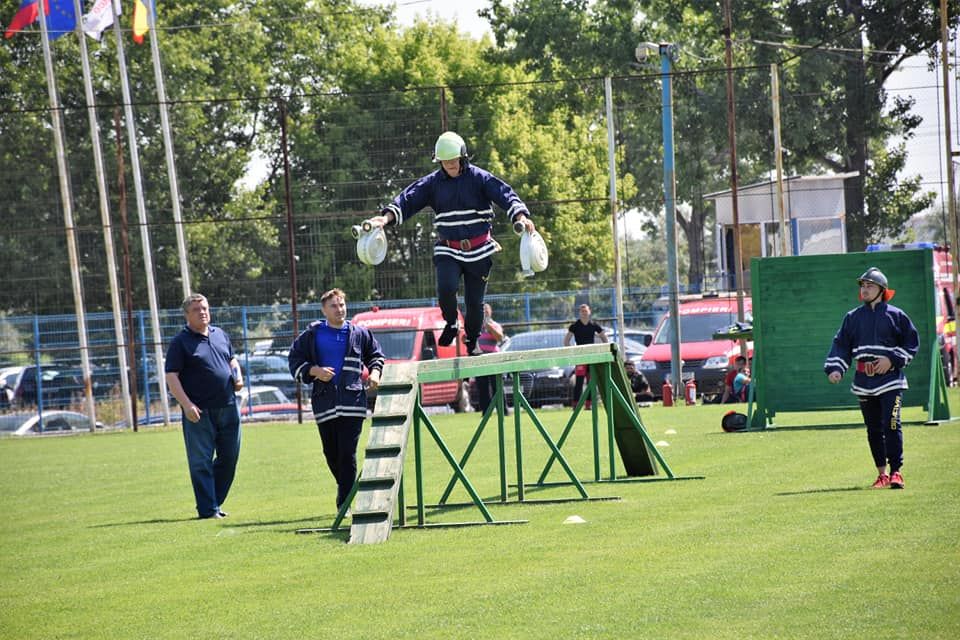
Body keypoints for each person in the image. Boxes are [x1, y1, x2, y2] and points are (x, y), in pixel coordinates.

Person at [367, 131, 534, 356]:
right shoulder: (433, 183)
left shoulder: (480, 178)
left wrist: (520, 216)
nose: (450, 165)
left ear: (463, 157)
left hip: (480, 249)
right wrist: (385, 218)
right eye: (445, 162)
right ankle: (451, 322)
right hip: (449, 248)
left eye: (454, 160)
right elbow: (409, 198)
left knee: (475, 303)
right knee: (446, 288)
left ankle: (472, 338)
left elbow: (506, 195)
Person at [288, 288, 385, 511]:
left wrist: (375, 373)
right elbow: (294, 359)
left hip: (353, 402)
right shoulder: (312, 334)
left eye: (342, 305)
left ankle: (345, 504)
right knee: (331, 453)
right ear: (324, 309)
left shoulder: (359, 333)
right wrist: (314, 371)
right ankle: (347, 490)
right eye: (334, 305)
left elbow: (376, 355)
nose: (339, 309)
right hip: (325, 403)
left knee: (347, 453)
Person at [824, 267, 919, 490]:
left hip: (890, 380)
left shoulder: (897, 315)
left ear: (881, 290)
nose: (865, 289)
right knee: (873, 429)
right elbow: (841, 345)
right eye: (863, 286)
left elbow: (911, 343)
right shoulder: (852, 317)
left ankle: (897, 472)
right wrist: (836, 369)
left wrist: (892, 359)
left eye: (870, 286)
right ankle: (881, 474)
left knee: (892, 424)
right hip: (863, 382)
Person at [164, 294, 243, 520]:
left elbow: (232, 361)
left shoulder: (220, 335)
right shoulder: (181, 342)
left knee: (230, 458)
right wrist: (186, 405)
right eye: (197, 309)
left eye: (205, 308)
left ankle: (214, 503)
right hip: (199, 411)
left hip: (228, 406)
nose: (203, 312)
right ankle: (208, 510)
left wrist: (238, 378)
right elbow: (171, 376)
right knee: (201, 462)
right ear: (187, 315)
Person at [564, 304, 609, 405]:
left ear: (589, 312)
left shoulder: (593, 325)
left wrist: (604, 349)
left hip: (592, 357)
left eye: (586, 311)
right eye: (582, 311)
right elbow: (566, 341)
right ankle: (575, 405)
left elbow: (604, 337)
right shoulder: (575, 326)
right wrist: (571, 352)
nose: (584, 313)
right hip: (580, 357)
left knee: (591, 382)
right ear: (579, 313)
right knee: (579, 381)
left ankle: (589, 404)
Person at [474, 303, 504, 413]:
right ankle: (486, 412)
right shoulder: (475, 326)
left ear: (490, 312)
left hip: (493, 359)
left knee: (497, 386)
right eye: (483, 310)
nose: (485, 312)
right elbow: (466, 340)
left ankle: (502, 410)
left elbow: (500, 338)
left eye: (487, 310)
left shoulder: (494, 325)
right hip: (480, 359)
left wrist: (490, 328)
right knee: (482, 387)